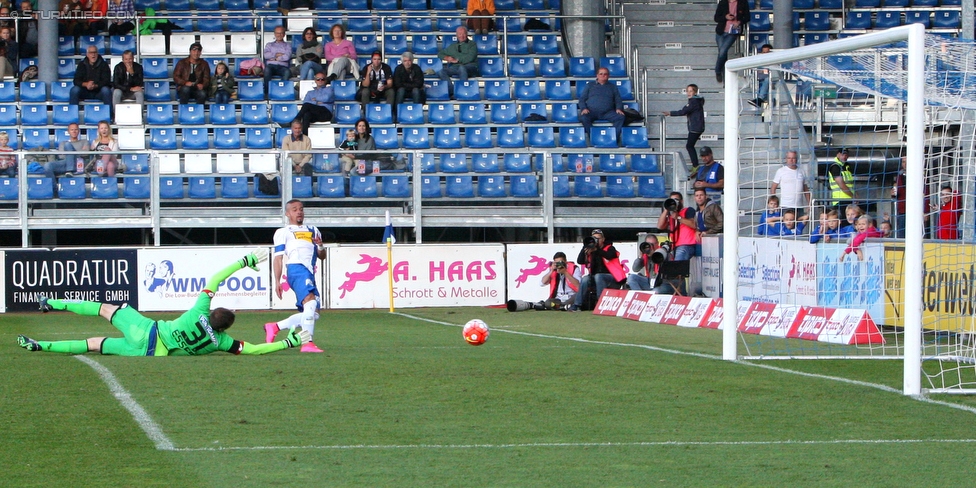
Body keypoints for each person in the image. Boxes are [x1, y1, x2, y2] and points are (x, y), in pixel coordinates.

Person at [17, 250, 313, 356]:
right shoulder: (221, 343)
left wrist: (244, 261)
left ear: (213, 313)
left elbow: (215, 277)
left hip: (147, 332)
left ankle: (50, 302)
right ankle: (40, 345)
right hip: (150, 353)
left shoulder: (199, 311)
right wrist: (289, 343)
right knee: (94, 343)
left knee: (105, 308)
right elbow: (255, 350)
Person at [264, 199, 326, 353]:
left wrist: (320, 245)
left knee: (313, 313)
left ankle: (275, 327)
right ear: (287, 213)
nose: (299, 211)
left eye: (301, 209)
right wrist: (277, 281)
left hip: (309, 272)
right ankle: (307, 343)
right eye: (294, 209)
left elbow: (322, 256)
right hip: (296, 269)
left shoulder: (314, 230)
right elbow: (278, 257)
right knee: (310, 304)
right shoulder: (283, 232)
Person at [568, 229, 627, 312]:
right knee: (585, 279)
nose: (596, 240)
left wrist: (597, 250)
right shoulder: (590, 249)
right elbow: (580, 261)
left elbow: (610, 255)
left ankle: (601, 302)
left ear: (603, 239)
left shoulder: (610, 248)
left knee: (598, 276)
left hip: (613, 278)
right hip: (595, 278)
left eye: (598, 239)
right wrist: (585, 248)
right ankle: (577, 305)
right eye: (594, 238)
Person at [662, 83, 704, 173]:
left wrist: (670, 113)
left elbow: (683, 111)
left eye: (690, 91)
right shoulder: (696, 101)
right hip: (697, 127)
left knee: (689, 146)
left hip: (695, 128)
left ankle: (696, 166)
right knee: (690, 146)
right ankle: (695, 165)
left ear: (695, 92)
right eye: (687, 91)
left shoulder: (693, 102)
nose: (688, 93)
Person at [578, 67, 625, 145]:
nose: (603, 75)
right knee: (583, 117)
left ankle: (613, 140)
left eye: (605, 74)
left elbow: (618, 99)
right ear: (597, 75)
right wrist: (583, 108)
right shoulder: (590, 86)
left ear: (608, 76)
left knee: (621, 117)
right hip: (592, 111)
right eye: (601, 74)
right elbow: (582, 99)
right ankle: (594, 138)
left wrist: (619, 108)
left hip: (608, 112)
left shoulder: (613, 87)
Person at [436, 26, 479, 98]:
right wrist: (447, 58)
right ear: (456, 35)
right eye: (460, 34)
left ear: (467, 34)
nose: (462, 36)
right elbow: (440, 54)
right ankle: (452, 91)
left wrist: (457, 60)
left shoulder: (472, 44)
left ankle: (462, 91)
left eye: (463, 34)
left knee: (462, 68)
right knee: (441, 71)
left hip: (471, 67)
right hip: (456, 67)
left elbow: (470, 58)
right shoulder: (452, 46)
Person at [713, 0, 748, 84]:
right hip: (721, 32)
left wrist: (739, 22)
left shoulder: (742, 2)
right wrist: (726, 17)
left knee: (722, 52)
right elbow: (716, 18)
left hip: (733, 32)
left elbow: (747, 17)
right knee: (722, 54)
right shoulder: (723, 2)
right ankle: (725, 77)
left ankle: (717, 70)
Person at [657, 191, 697, 262]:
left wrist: (678, 217)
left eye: (676, 200)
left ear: (681, 201)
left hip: (686, 245)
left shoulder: (688, 210)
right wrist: (667, 208)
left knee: (677, 267)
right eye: (672, 200)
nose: (674, 202)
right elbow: (660, 226)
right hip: (674, 246)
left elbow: (693, 224)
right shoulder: (670, 214)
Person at [770, 150, 810, 217]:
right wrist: (774, 203)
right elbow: (773, 187)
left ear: (796, 159)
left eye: (793, 158)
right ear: (786, 159)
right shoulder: (781, 171)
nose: (791, 160)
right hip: (786, 206)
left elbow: (805, 189)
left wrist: (809, 203)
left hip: (799, 206)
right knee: (786, 226)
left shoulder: (802, 171)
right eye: (789, 158)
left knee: (799, 226)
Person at [263, 25, 292, 96]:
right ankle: (267, 93)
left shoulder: (288, 45)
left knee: (287, 72)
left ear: (284, 34)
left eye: (281, 33)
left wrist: (274, 58)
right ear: (275, 34)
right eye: (277, 33)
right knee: (266, 70)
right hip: (271, 66)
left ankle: (282, 92)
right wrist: (276, 54)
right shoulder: (269, 45)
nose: (279, 35)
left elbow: (287, 57)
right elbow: (265, 55)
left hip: (283, 67)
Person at [891, 156, 907, 238]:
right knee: (902, 235)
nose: (905, 164)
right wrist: (893, 193)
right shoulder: (899, 176)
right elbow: (896, 195)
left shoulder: (919, 176)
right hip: (902, 211)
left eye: (907, 161)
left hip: (916, 212)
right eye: (903, 162)